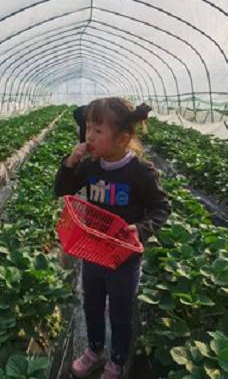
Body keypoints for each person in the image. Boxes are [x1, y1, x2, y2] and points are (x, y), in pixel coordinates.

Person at [54, 98, 170, 378]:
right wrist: (70, 163)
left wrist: (141, 229)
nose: (89, 135)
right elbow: (62, 189)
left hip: (124, 257)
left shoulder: (140, 172)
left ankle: (116, 359)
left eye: (97, 130)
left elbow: (161, 207)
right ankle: (94, 351)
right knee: (91, 303)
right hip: (92, 252)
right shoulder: (90, 166)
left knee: (120, 311)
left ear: (123, 139)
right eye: (88, 128)